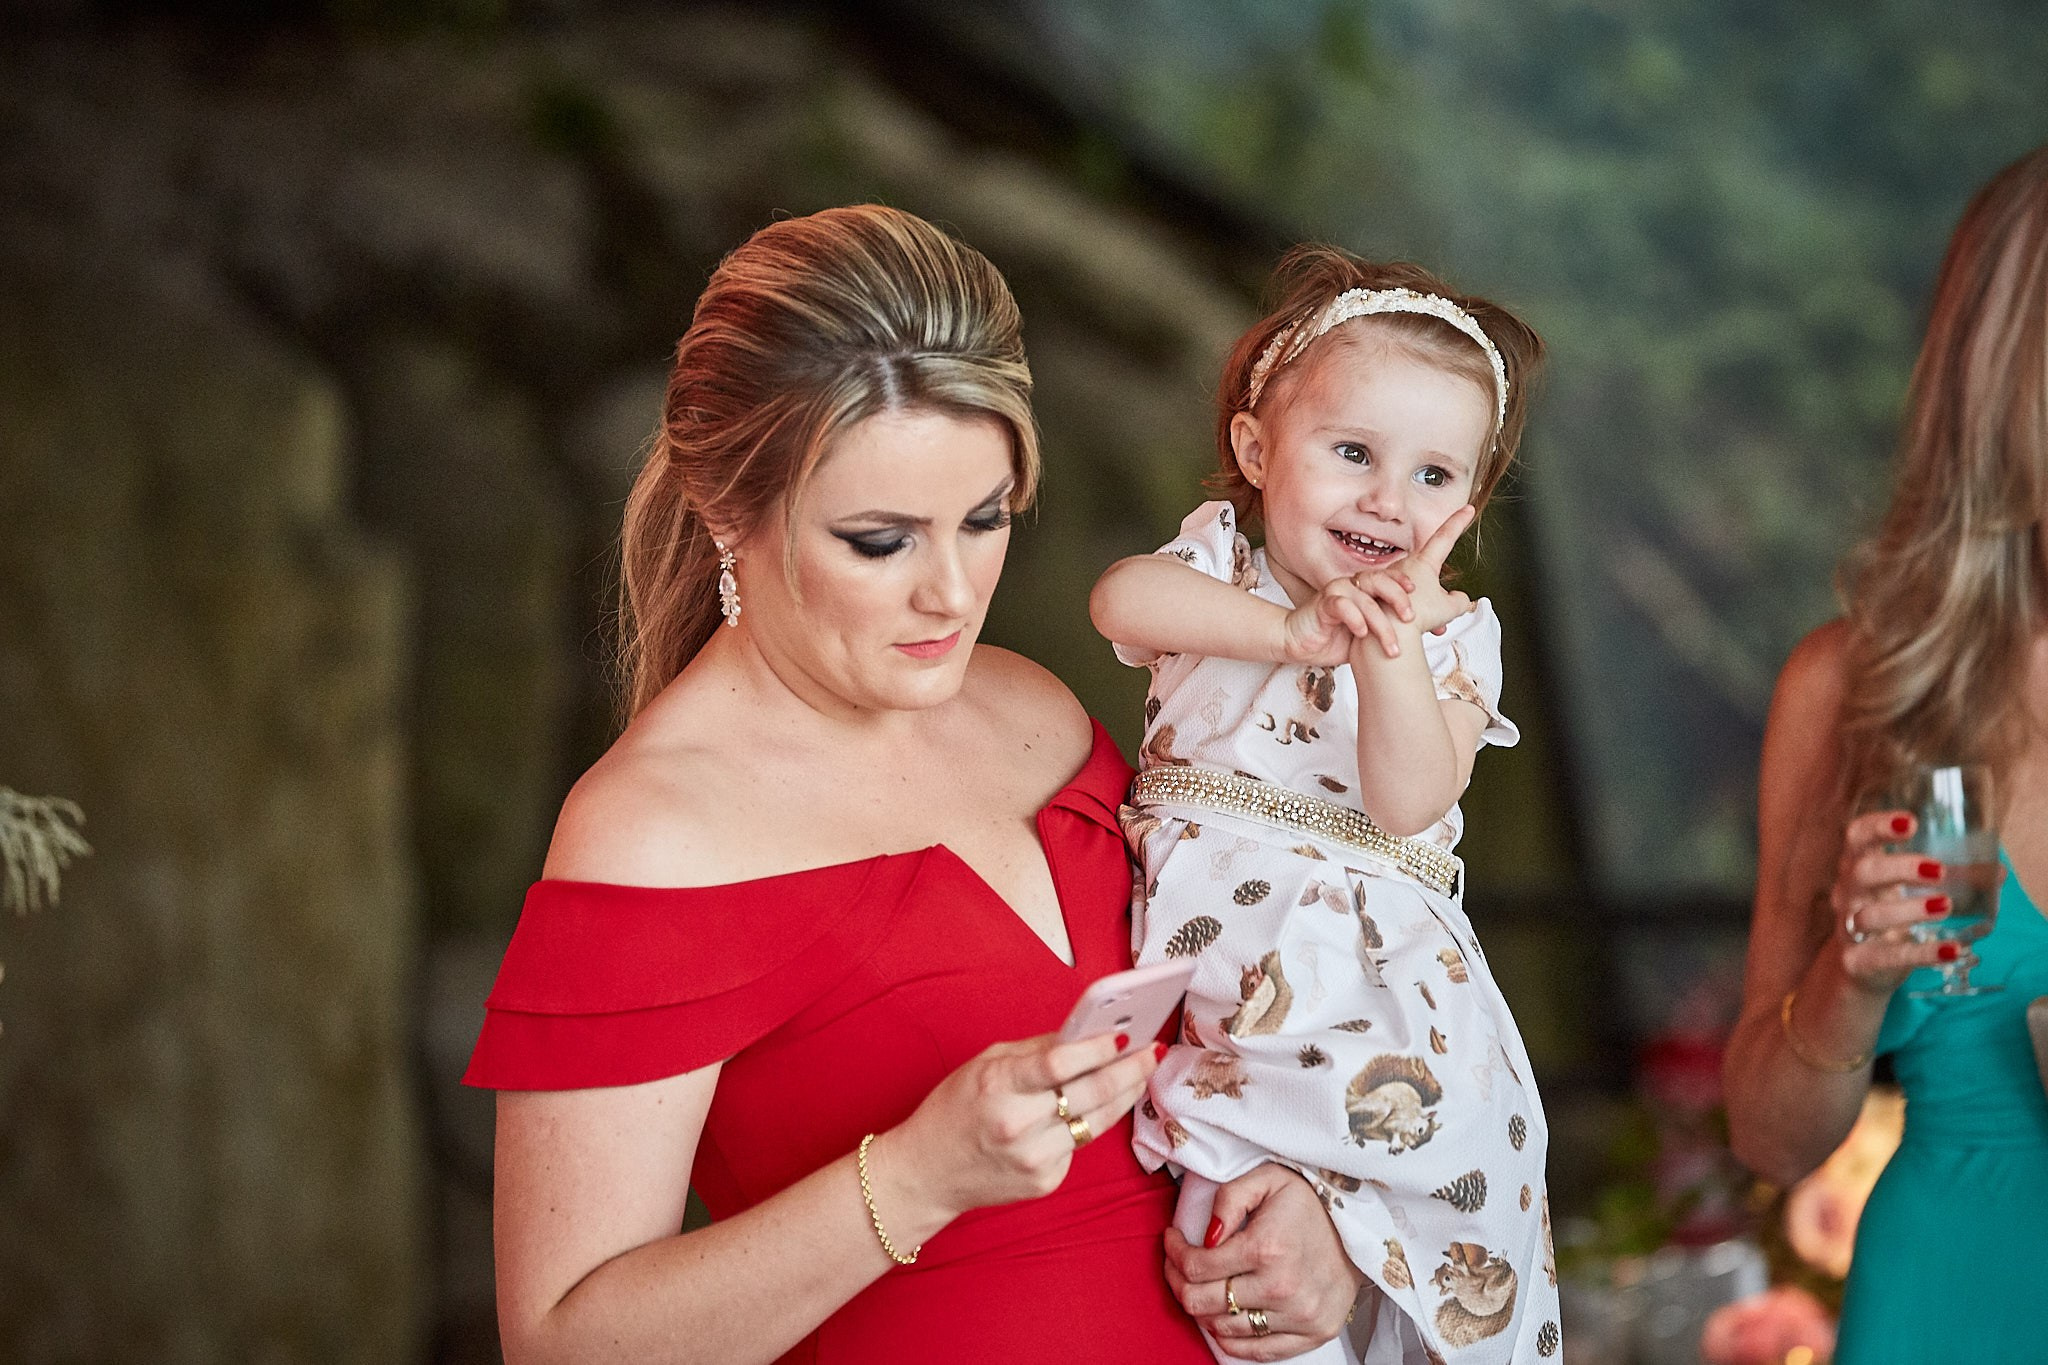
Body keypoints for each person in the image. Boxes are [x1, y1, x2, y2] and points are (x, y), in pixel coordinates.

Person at [463, 204, 1370, 1365]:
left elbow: (1236, 1047)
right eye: (879, 540)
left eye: (983, 519)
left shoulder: (1037, 712)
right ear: (725, 507)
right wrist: (914, 1179)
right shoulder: (651, 832)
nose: (950, 592)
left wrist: (1318, 1214)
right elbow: (560, 1345)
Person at [1091, 247, 1561, 1364]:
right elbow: (1119, 599)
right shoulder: (1218, 576)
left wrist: (1385, 648)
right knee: (1238, 1273)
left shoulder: (1450, 637)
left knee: (1441, 1285)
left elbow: (1409, 798)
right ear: (1257, 451)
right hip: (1229, 1012)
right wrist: (1287, 634)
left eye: (1433, 476)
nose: (1387, 501)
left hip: (1388, 1014)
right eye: (1352, 453)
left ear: (1467, 507)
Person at [1722, 144, 2048, 1362]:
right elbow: (1768, 1141)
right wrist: (1849, 977)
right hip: (1949, 1306)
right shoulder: (1858, 689)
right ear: (2005, 394)